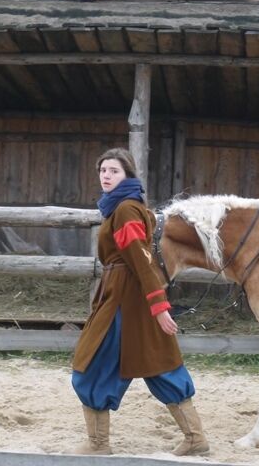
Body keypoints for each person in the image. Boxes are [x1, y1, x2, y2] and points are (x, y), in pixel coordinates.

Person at [70, 147, 209, 456]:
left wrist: (159, 305)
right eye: (103, 170)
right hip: (122, 295)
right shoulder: (121, 207)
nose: (106, 175)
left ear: (128, 175)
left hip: (124, 300)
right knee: (156, 362)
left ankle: (98, 445)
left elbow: (141, 260)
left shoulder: (125, 210)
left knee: (92, 365)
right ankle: (194, 437)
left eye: (114, 171)